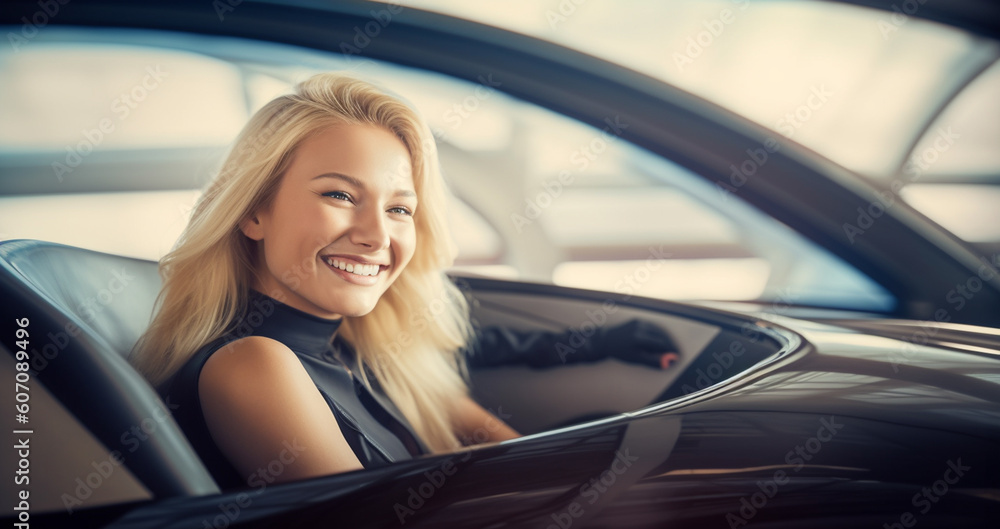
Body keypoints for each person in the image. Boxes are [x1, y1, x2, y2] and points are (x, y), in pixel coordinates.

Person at [130, 73, 678, 490]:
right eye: (339, 195)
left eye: (399, 209)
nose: (376, 235)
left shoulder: (354, 345)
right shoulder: (253, 364)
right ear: (253, 213)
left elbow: (490, 435)